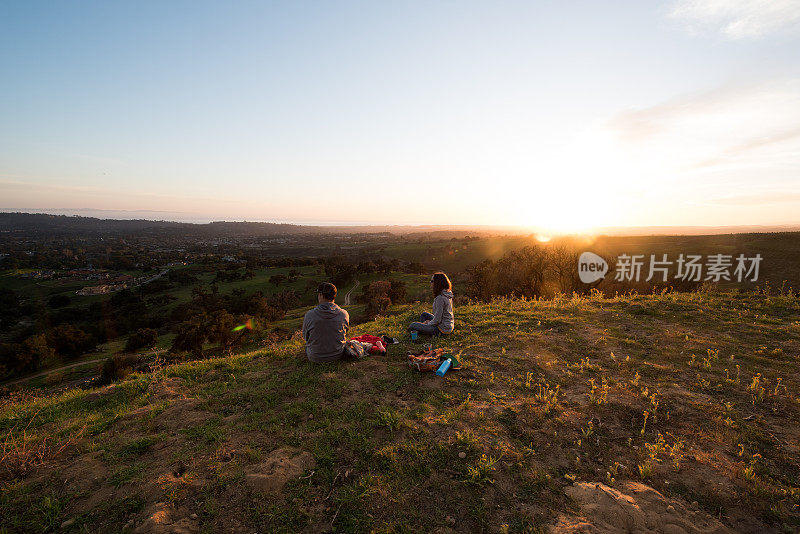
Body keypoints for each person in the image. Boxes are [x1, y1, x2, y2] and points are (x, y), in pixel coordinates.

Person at [302, 282, 350, 362]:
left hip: (315, 357)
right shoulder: (344, 314)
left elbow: (306, 337)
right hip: (338, 355)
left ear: (321, 295)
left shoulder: (310, 315)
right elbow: (345, 332)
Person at [409, 272, 454, 336]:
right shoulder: (447, 293)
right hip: (447, 325)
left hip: (442, 329)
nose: (431, 283)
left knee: (412, 325)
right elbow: (439, 317)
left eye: (432, 281)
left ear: (437, 283)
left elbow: (437, 320)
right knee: (424, 314)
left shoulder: (440, 298)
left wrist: (428, 324)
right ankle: (424, 330)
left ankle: (424, 330)